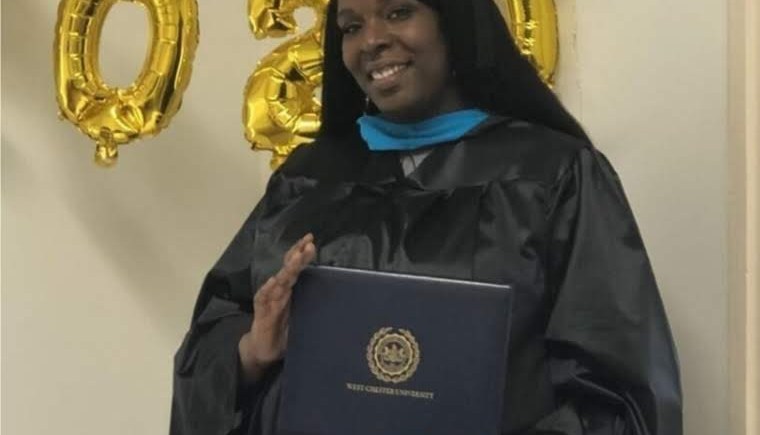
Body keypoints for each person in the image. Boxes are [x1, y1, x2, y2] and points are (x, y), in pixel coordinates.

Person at [170, 0, 682, 433]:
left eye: (398, 12)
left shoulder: (550, 175)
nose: (372, 40)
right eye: (351, 26)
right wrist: (251, 351)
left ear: (452, 21)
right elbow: (210, 345)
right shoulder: (308, 181)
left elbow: (618, 390)